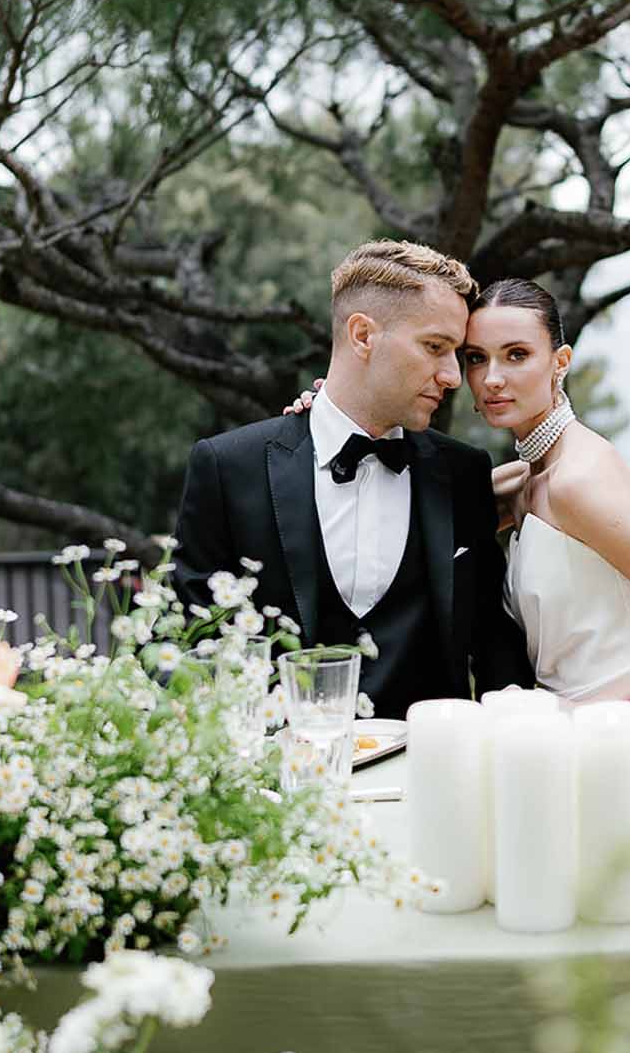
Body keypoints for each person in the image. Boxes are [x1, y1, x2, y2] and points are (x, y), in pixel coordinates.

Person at [173, 240, 533, 718]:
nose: (452, 376)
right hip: (282, 778)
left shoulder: (463, 472)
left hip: (425, 771)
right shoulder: (229, 466)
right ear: (363, 335)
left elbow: (492, 634)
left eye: (457, 354)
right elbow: (184, 639)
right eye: (435, 347)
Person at [463, 278, 630, 733]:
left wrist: (585, 717)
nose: (493, 378)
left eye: (516, 355)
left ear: (561, 362)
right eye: (477, 358)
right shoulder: (524, 480)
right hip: (580, 742)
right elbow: (418, 502)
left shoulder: (578, 481)